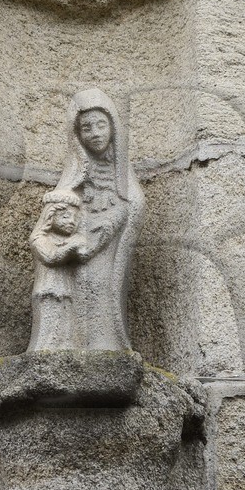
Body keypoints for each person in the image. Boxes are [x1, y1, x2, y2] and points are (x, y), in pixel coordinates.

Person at [55, 88, 144, 351]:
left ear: (113, 127)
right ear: (77, 134)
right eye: (87, 128)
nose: (95, 134)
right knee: (83, 288)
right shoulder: (75, 172)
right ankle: (78, 343)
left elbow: (135, 203)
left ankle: (108, 344)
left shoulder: (122, 173)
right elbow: (60, 207)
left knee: (105, 289)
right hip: (83, 245)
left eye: (101, 125)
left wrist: (116, 218)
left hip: (110, 247)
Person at [27, 190, 86, 350]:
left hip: (66, 290)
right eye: (66, 216)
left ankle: (66, 351)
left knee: (66, 329)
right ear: (50, 216)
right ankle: (43, 355)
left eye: (75, 218)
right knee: (49, 329)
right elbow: (51, 257)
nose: (72, 222)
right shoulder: (39, 239)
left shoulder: (67, 240)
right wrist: (72, 245)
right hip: (48, 290)